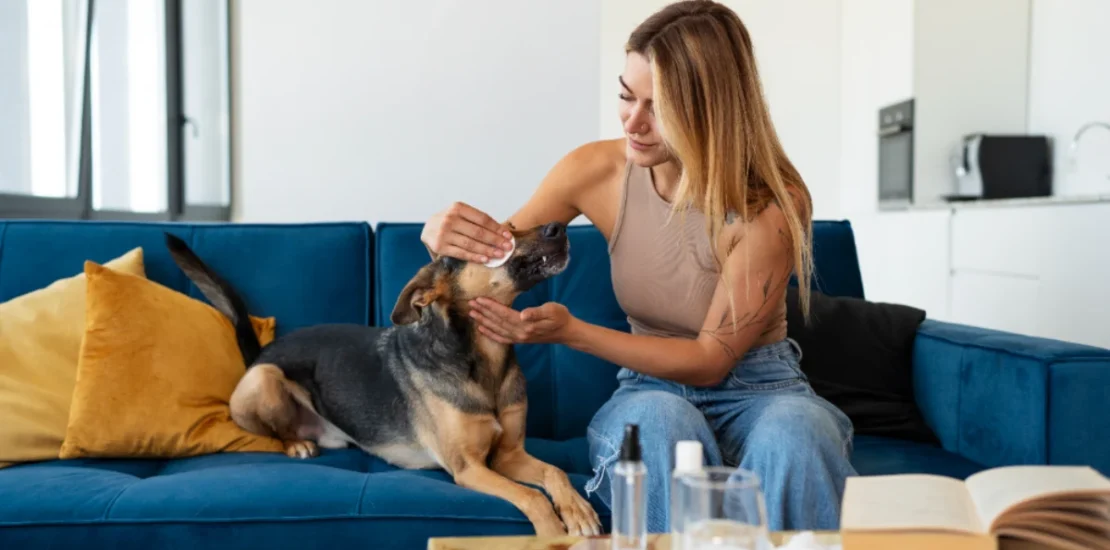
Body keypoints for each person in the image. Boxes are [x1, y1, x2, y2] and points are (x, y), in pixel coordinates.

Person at [419, 0, 856, 533]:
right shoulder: (595, 169)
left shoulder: (770, 205)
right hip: (651, 391)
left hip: (764, 392)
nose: (633, 121)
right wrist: (441, 236)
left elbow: (709, 360)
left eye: (660, 108)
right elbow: (496, 255)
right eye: (627, 96)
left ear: (713, 110)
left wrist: (575, 333)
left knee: (799, 433)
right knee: (660, 422)